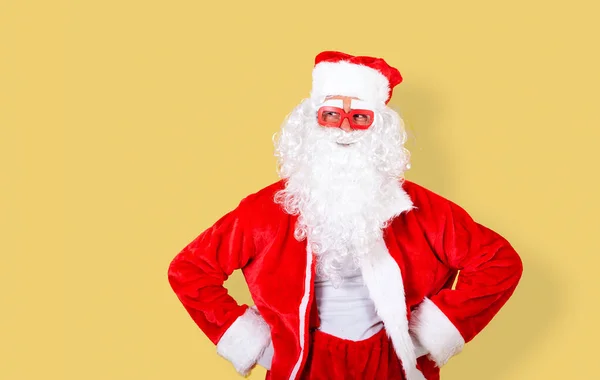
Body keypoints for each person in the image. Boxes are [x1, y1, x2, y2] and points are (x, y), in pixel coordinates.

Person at [167, 51, 523, 380]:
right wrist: (260, 346)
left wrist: (425, 335)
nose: (345, 129)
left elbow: (499, 263)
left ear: (378, 128)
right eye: (332, 114)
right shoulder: (267, 208)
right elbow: (190, 271)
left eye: (360, 118)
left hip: (390, 364)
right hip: (306, 365)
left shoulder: (418, 207)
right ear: (312, 121)